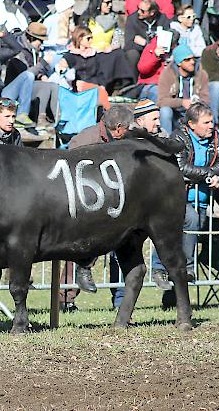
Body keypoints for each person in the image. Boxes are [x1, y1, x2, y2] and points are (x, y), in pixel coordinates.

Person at [150, 102, 219, 290]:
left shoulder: (216, 138)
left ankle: (173, 296)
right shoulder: (178, 137)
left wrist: (210, 173)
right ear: (192, 124)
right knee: (170, 234)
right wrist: (209, 174)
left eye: (212, 122)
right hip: (177, 199)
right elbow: (181, 166)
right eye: (206, 122)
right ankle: (170, 268)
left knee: (188, 235)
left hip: (201, 200)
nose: (211, 126)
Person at [62, 105, 133, 311]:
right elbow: (69, 168)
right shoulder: (85, 140)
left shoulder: (122, 140)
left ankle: (119, 299)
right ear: (118, 127)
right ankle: (66, 297)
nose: (129, 130)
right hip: (81, 202)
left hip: (108, 202)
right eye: (127, 127)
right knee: (74, 247)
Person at [5, 22, 57, 125]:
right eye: (40, 41)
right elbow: (26, 74)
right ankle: (36, 117)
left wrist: (41, 75)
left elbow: (35, 70)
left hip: (29, 86)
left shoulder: (33, 50)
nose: (41, 44)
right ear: (31, 38)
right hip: (13, 90)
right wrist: (43, 63)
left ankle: (53, 118)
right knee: (45, 87)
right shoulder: (19, 51)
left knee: (53, 86)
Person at [60, 26, 135, 95]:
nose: (91, 41)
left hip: (95, 87)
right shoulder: (70, 56)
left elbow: (101, 73)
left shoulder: (94, 54)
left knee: (118, 54)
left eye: (92, 38)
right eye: (88, 38)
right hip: (77, 89)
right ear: (80, 39)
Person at [158, 44, 210, 133]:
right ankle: (166, 142)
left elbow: (206, 99)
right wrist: (182, 102)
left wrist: (196, 103)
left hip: (195, 113)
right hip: (175, 112)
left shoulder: (201, 74)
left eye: (193, 58)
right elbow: (161, 101)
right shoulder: (167, 74)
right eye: (187, 60)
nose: (192, 62)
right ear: (179, 63)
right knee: (165, 111)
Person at [124, 0, 170, 76]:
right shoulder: (132, 19)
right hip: (139, 50)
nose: (139, 12)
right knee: (132, 54)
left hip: (156, 50)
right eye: (138, 8)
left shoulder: (162, 19)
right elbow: (128, 44)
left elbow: (166, 40)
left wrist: (147, 44)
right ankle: (133, 83)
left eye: (142, 11)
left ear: (152, 13)